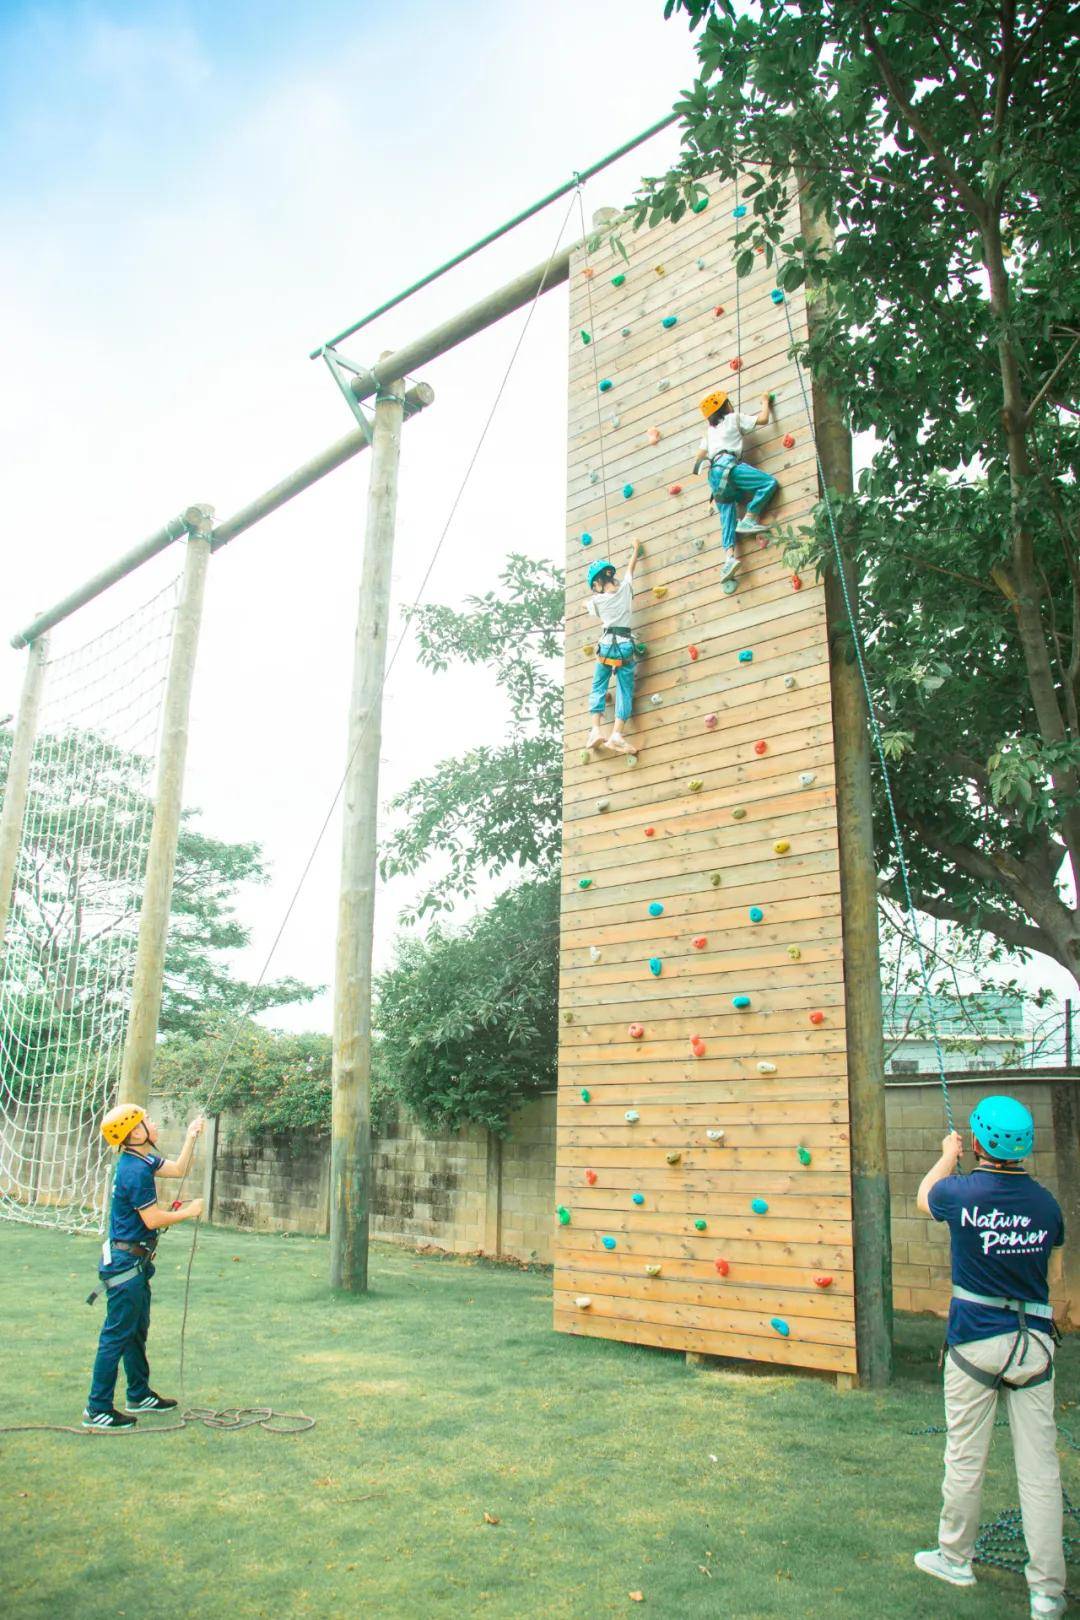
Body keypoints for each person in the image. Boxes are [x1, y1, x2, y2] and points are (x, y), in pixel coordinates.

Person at [914, 1095, 1066, 1618]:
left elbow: (923, 1197)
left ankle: (955, 1557)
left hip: (976, 1342)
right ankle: (1047, 1591)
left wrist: (946, 1156)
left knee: (965, 1456)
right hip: (1034, 1346)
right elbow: (1050, 1249)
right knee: (1041, 1470)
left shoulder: (960, 1191)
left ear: (978, 1142)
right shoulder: (1046, 1204)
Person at [83, 1103, 205, 1431]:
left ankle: (138, 1393)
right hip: (126, 1265)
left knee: (136, 1330)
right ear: (135, 1132)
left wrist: (192, 1136)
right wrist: (189, 1212)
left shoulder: (142, 1159)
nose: (151, 1123)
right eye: (146, 1120)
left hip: (133, 1262)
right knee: (117, 1335)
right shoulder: (134, 1170)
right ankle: (97, 1408)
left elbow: (178, 1169)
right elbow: (152, 1218)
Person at [692, 388, 778, 585]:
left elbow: (699, 458)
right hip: (730, 466)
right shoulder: (734, 418)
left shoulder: (708, 432)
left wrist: (712, 449)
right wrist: (765, 401)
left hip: (714, 476)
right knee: (768, 483)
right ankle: (749, 518)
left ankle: (729, 559)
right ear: (726, 406)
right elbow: (763, 419)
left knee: (727, 516)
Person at [585, 538, 644, 756]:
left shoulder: (597, 601)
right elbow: (631, 567)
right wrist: (636, 548)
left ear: (598, 582)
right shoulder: (627, 587)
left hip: (606, 646)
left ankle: (596, 730)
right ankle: (617, 735)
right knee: (625, 690)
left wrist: (593, 597)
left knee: (598, 685)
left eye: (595, 586)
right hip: (625, 645)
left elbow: (586, 605)